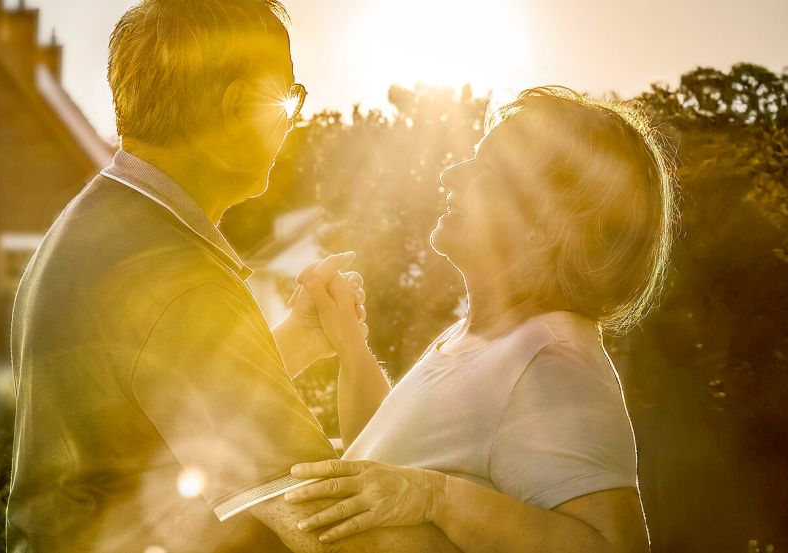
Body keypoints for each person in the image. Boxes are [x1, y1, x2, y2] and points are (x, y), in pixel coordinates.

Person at [6, 1, 458, 552]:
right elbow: (329, 523)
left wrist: (294, 340)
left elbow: (152, 403)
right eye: (290, 98)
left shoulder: (97, 226)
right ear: (238, 107)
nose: (292, 122)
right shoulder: (177, 277)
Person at [288, 86, 677, 552]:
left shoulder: (551, 365)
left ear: (546, 223)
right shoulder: (481, 342)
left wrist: (436, 499)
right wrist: (349, 344)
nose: (451, 173)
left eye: (486, 169)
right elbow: (380, 460)